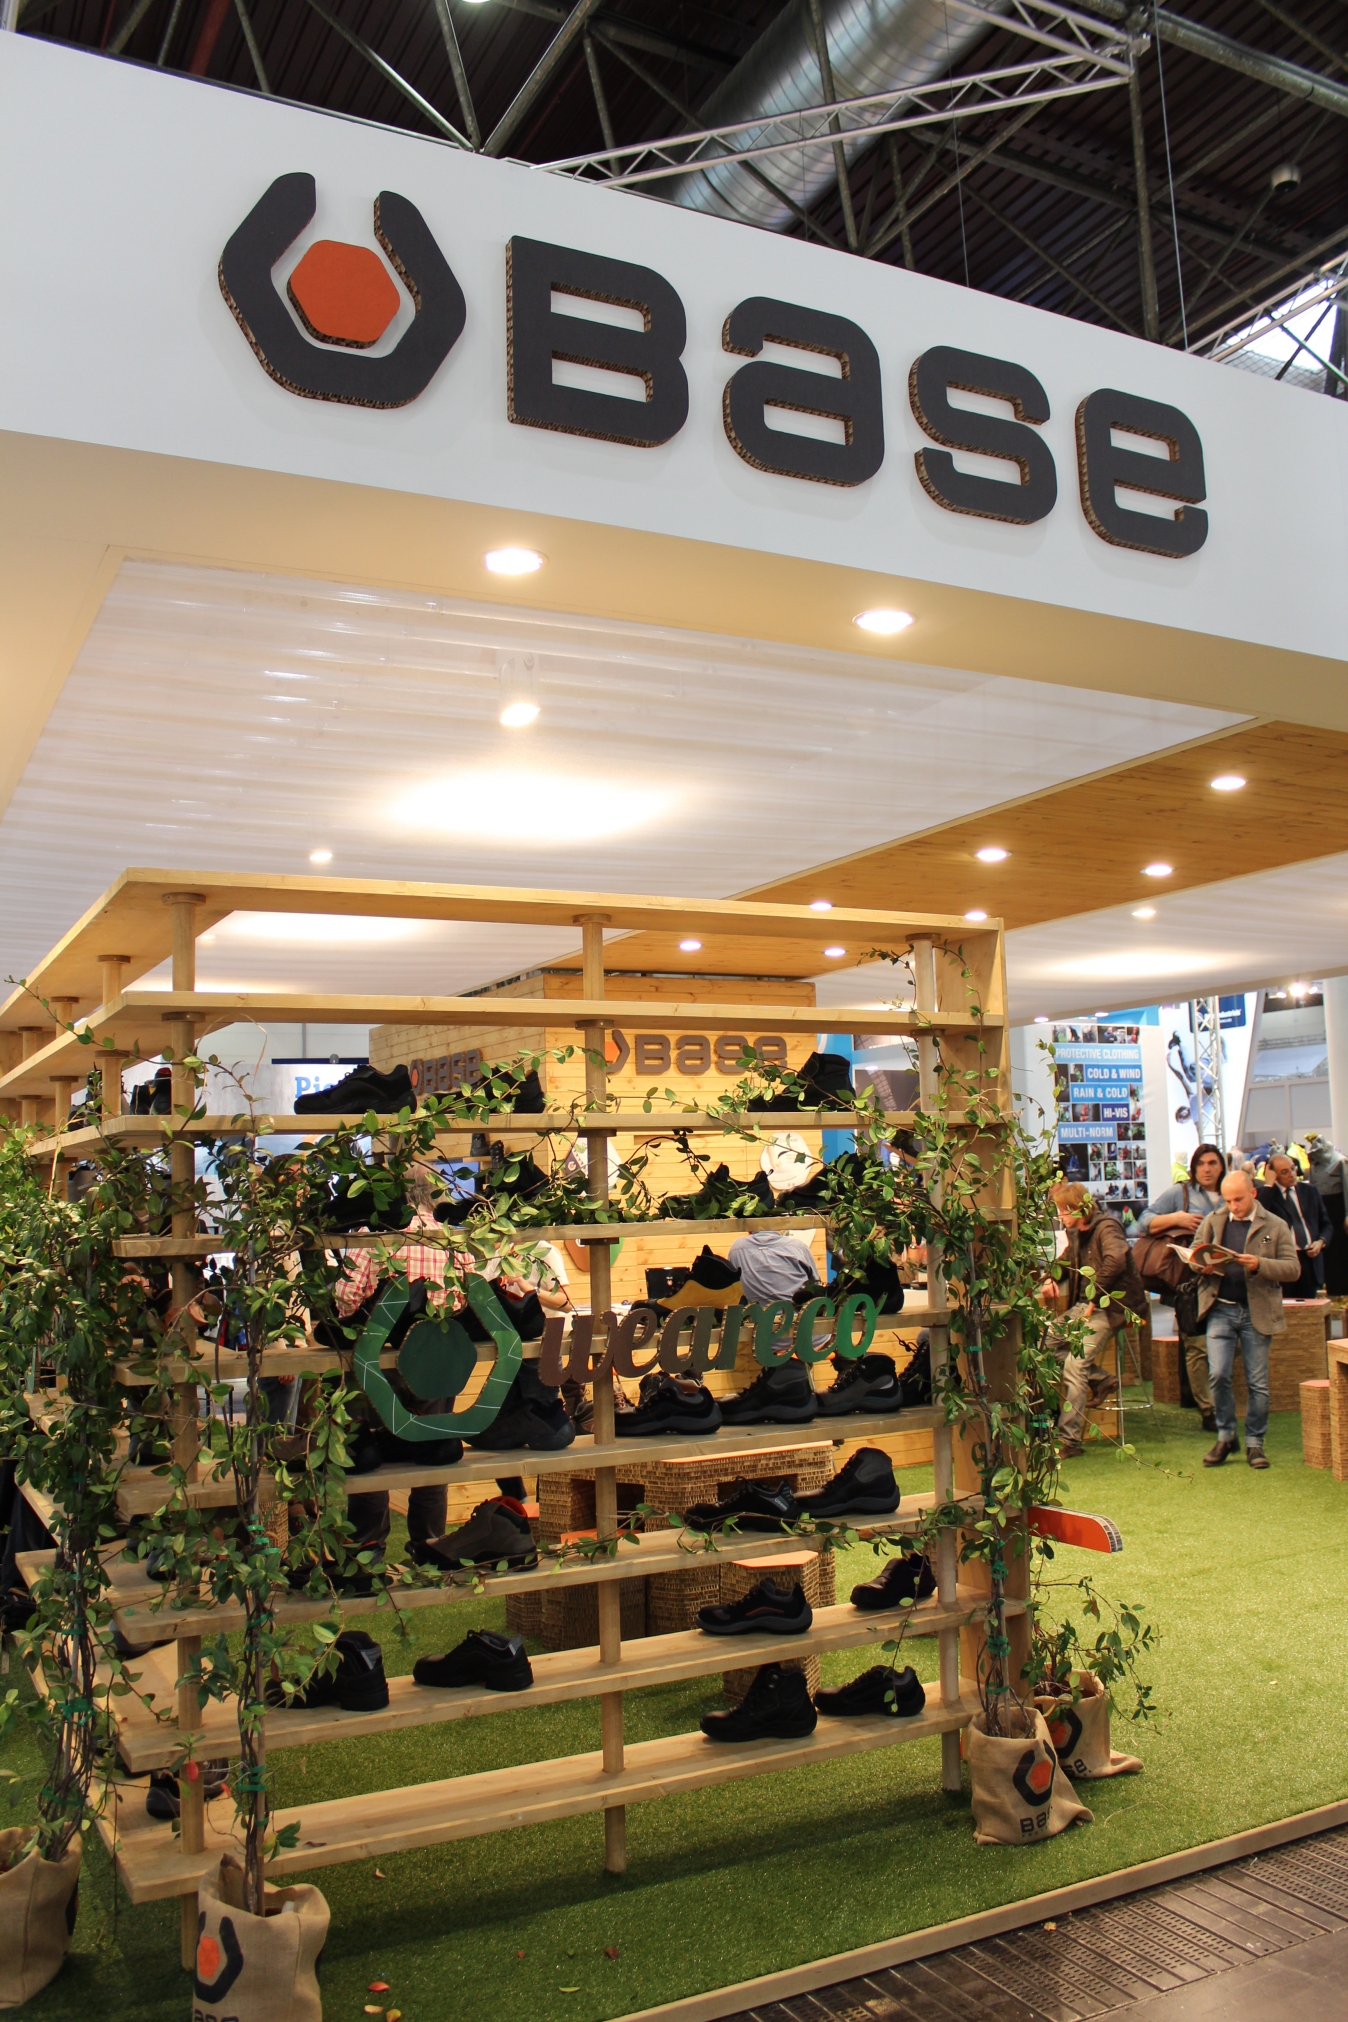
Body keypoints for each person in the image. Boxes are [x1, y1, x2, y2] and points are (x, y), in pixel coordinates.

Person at [1193, 1169, 1299, 1470]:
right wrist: (1200, 1265)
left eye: (1238, 1199)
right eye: (1227, 1200)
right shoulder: (1213, 1220)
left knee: (1257, 1382)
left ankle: (1255, 1443)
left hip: (1257, 1312)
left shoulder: (1275, 1224)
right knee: (1218, 1374)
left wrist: (1259, 1265)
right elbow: (1194, 1255)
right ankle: (1226, 1436)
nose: (1233, 1206)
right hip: (1220, 1309)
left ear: (1253, 1194)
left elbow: (1293, 1269)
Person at [1039, 1182, 1146, 1458]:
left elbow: (1116, 1261)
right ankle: (1101, 1379)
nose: (1060, 1216)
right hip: (1085, 1307)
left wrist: (1095, 1297)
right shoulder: (1076, 1232)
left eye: (1063, 1211)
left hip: (1110, 1309)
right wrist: (1050, 1278)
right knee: (1041, 1347)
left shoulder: (1107, 1227)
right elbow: (1065, 1261)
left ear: (1077, 1208)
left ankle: (1069, 1441)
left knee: (1075, 1365)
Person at [1132, 1144, 1226, 1431]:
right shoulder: (1181, 1192)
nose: (1207, 1169)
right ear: (1193, 1168)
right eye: (1201, 1164)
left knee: (1222, 1340)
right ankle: (1204, 1406)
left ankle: (1213, 1400)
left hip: (1226, 1278)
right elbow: (1144, 1221)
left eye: (1212, 1163)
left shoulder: (1230, 1193)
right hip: (1189, 1280)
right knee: (1194, 1340)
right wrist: (1177, 1218)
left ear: (1221, 1166)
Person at [1257, 1152, 1332, 1301]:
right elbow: (1259, 1218)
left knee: (1308, 1308)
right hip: (1283, 1261)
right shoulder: (1266, 1194)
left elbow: (1326, 1224)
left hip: (1309, 1259)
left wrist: (1321, 1242)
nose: (1292, 1174)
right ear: (1273, 1174)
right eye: (1284, 1172)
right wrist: (1269, 1185)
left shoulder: (1310, 1191)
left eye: (1293, 1168)